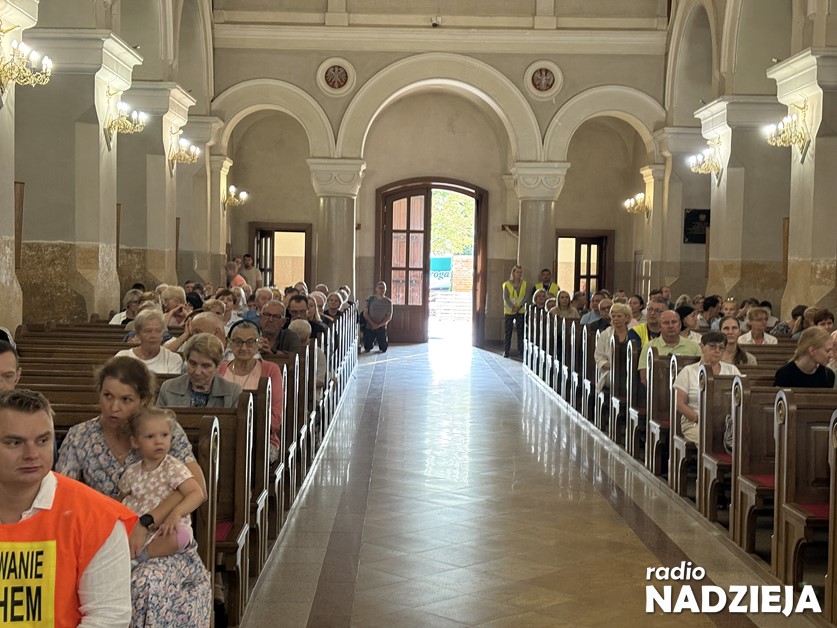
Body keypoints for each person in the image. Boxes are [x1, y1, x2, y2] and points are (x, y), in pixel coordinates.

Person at [56, 357, 212, 625]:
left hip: (162, 542)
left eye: (126, 399)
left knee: (142, 583)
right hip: (100, 540)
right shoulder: (80, 436)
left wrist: (145, 521)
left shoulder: (161, 430)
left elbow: (197, 488)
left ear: (144, 400)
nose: (113, 407)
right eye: (107, 396)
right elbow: (63, 497)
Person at [0, 389, 137, 626]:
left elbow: (108, 617)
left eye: (43, 440)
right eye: (15, 442)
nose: (32, 454)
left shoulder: (97, 517)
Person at [118, 408, 203, 565]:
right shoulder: (131, 472)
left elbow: (197, 493)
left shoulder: (172, 467)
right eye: (150, 436)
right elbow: (121, 500)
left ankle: (140, 557)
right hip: (136, 530)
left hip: (166, 527)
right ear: (135, 442)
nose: (159, 441)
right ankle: (127, 555)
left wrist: (177, 513)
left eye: (164, 435)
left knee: (179, 536)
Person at [219, 320, 284, 462]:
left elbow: (275, 418)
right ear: (229, 343)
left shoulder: (271, 370)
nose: (243, 348)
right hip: (223, 436)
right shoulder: (220, 369)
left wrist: (245, 428)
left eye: (250, 342)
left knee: (247, 455)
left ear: (258, 343)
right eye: (238, 342)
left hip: (261, 438)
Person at [674, 331, 742, 443]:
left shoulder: (732, 370)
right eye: (712, 347)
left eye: (721, 348)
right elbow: (680, 404)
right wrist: (698, 418)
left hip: (726, 423)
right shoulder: (688, 371)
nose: (717, 351)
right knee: (706, 437)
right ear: (702, 347)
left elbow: (741, 397)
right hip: (695, 422)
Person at [157, 334, 242, 408]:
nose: (197, 372)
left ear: (218, 367)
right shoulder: (169, 388)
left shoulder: (232, 392)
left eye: (205, 366)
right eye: (193, 363)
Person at [636, 309, 701, 384]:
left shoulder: (694, 346)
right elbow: (644, 378)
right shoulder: (649, 347)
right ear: (659, 327)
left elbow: (699, 374)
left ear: (680, 325)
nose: (670, 326)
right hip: (658, 389)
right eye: (666, 323)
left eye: (674, 322)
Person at [115, 309, 184, 374]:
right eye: (148, 331)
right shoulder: (122, 357)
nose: (153, 335)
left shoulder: (173, 359)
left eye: (158, 331)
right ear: (138, 334)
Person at [594, 302, 631, 393]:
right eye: (613, 316)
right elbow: (599, 357)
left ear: (627, 318)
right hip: (610, 371)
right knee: (618, 378)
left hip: (629, 370)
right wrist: (614, 367)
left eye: (619, 316)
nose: (616, 319)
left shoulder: (632, 333)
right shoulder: (605, 334)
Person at [363, 281, 394, 354]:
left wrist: (379, 325)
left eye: (383, 288)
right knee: (367, 347)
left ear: (385, 289)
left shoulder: (388, 302)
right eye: (379, 288)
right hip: (370, 326)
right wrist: (372, 324)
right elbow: (365, 313)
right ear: (376, 289)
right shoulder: (370, 299)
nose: (381, 290)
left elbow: (389, 316)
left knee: (383, 348)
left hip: (381, 326)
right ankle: (371, 342)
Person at [502, 266, 525, 359]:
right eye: (517, 272)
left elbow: (525, 296)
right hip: (509, 310)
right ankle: (506, 350)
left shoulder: (524, 284)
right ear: (513, 273)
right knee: (508, 331)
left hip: (520, 310)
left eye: (520, 272)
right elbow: (506, 297)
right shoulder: (506, 284)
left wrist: (520, 306)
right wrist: (513, 307)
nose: (519, 274)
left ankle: (521, 351)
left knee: (521, 332)